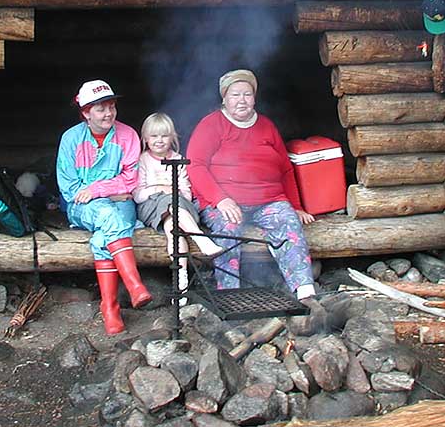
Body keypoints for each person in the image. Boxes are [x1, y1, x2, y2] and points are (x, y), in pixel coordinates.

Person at [186, 69, 318, 302]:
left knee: (288, 220)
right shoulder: (211, 125)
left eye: (247, 94)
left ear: (254, 98)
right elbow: (195, 166)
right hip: (225, 202)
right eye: (235, 95)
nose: (242, 100)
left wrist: (296, 206)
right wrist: (220, 199)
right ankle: (230, 295)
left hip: (268, 201)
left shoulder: (267, 126)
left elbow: (286, 169)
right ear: (224, 98)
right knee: (228, 227)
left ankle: (305, 291)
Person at [56, 80, 150, 335]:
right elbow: (69, 187)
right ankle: (134, 285)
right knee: (107, 213)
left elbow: (131, 180)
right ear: (86, 113)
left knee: (101, 240)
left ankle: (109, 308)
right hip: (81, 206)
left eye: (111, 106)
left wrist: (97, 190)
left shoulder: (127, 135)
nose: (108, 113)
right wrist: (100, 194)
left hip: (122, 203)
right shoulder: (71, 139)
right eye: (100, 109)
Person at [133, 113, 224, 298]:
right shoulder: (143, 160)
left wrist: (172, 192)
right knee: (169, 202)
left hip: (179, 207)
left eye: (164, 136)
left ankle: (180, 283)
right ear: (145, 139)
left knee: (172, 228)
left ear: (172, 137)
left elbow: (187, 194)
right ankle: (201, 239)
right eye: (154, 136)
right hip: (150, 207)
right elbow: (138, 195)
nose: (159, 140)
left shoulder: (179, 159)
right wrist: (161, 188)